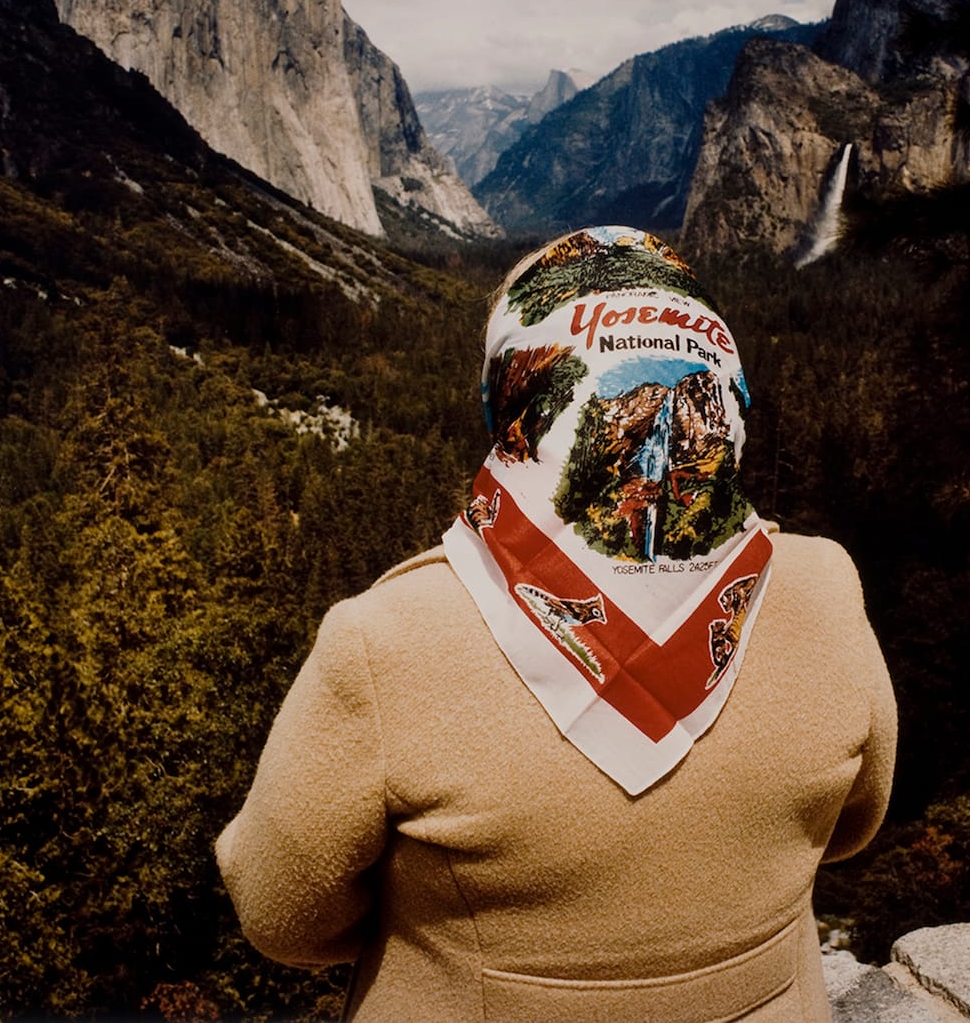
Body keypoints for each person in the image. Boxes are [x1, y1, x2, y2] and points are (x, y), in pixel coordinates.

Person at [216, 227, 897, 1021]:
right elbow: (853, 826)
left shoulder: (386, 641)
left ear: (512, 398)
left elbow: (282, 916)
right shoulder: (824, 586)